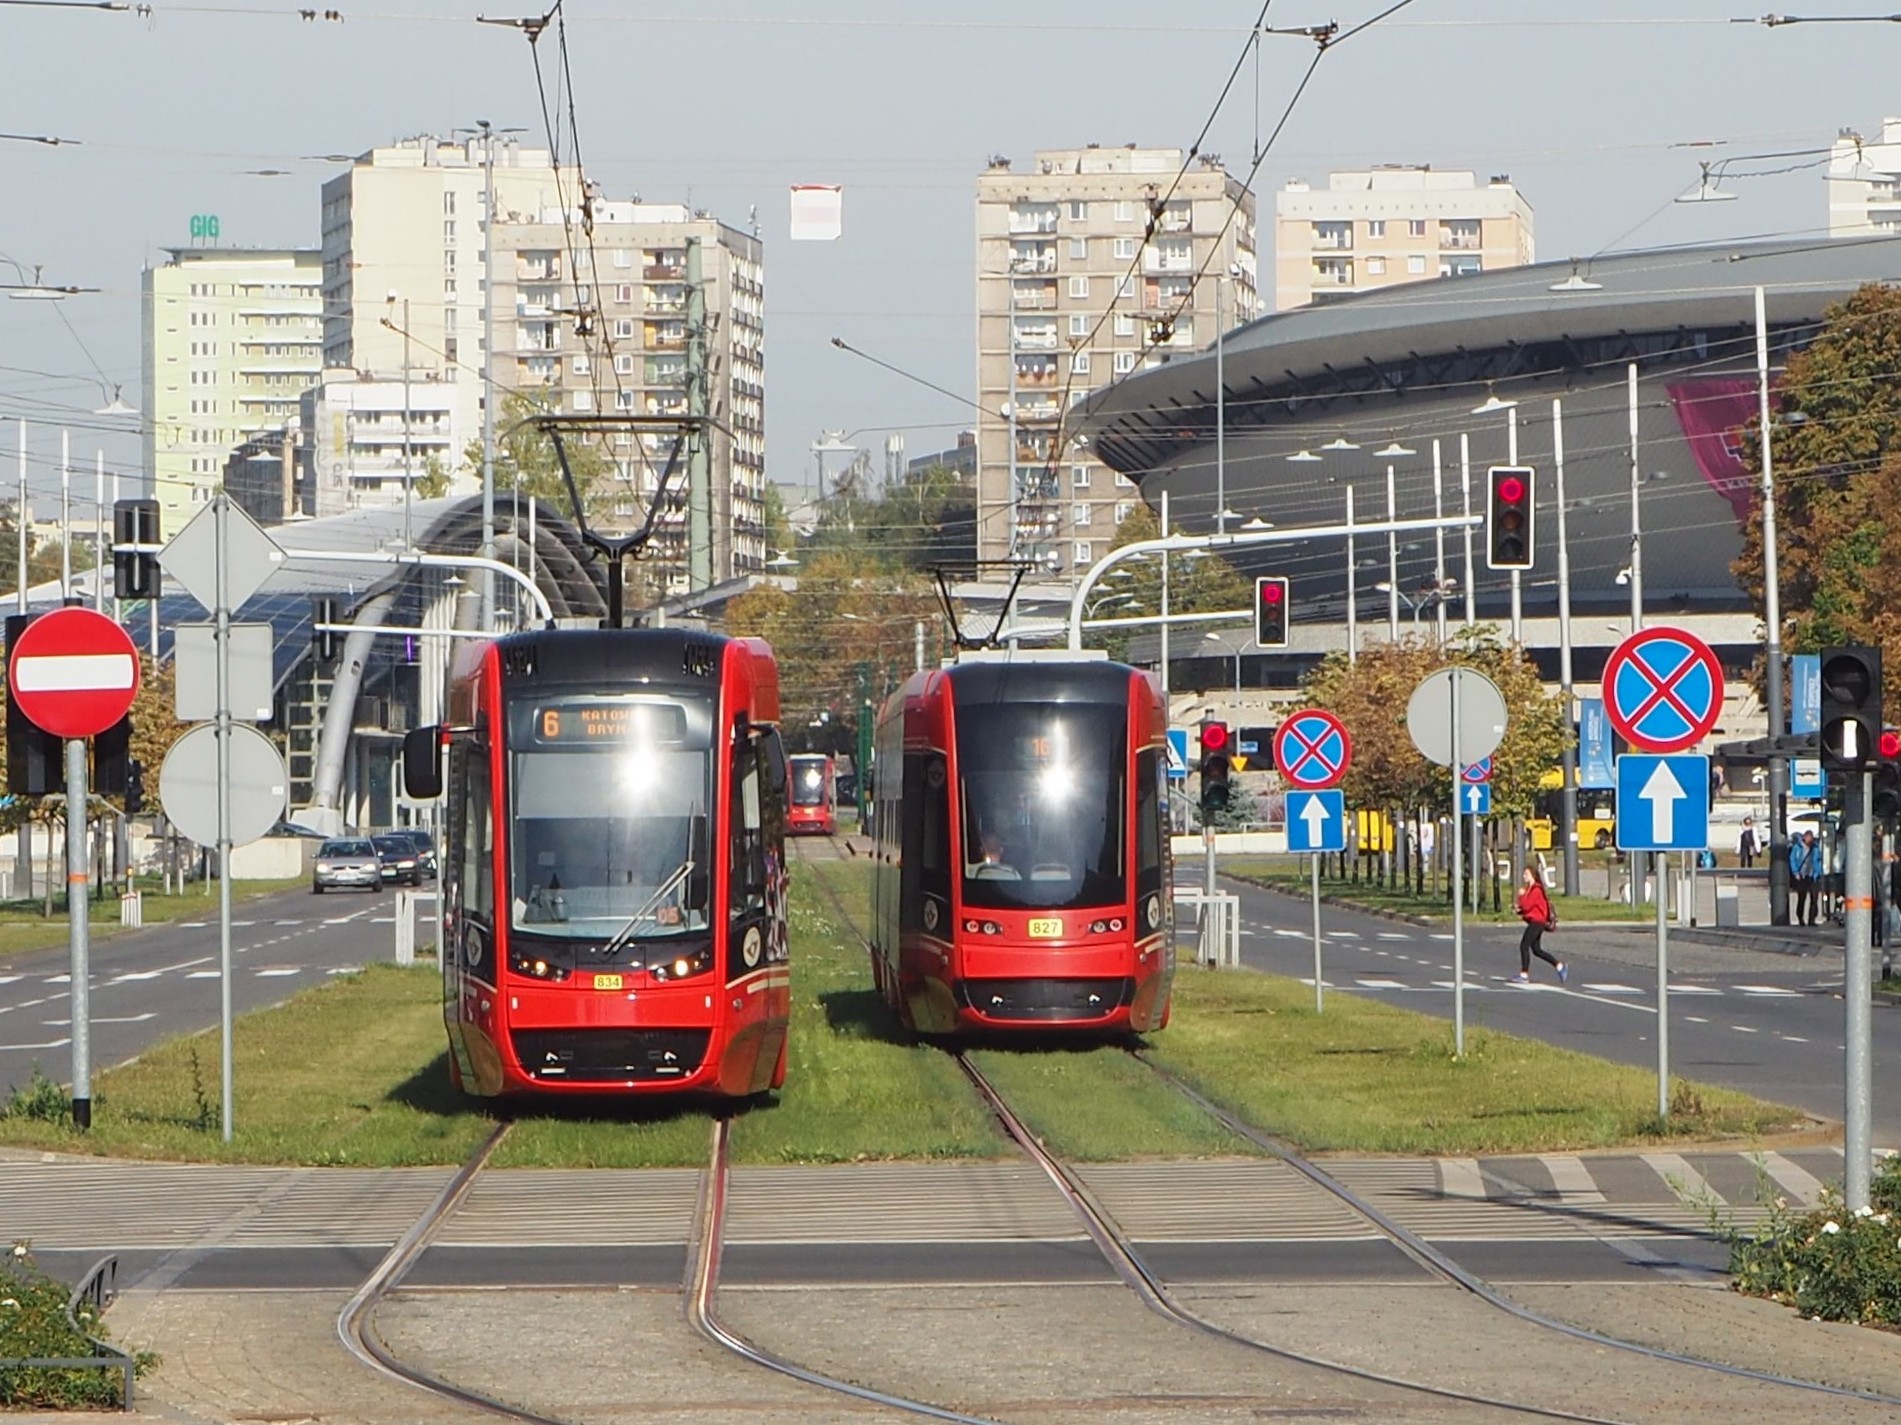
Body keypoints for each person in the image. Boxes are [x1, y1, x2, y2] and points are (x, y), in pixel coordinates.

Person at [1513, 866, 1565, 985]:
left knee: (1524, 946)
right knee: (1536, 950)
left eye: (1526, 874)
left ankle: (1524, 974)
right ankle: (1559, 966)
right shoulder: (1531, 889)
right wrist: (1518, 910)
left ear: (1533, 875)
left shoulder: (1536, 890)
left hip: (1537, 922)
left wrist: (1521, 896)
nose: (1524, 876)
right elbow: (1528, 908)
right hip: (1536, 921)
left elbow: (1527, 905)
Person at [1790, 829, 1822, 926]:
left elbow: (1819, 860)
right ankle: (1800, 918)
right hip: (1801, 876)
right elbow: (1792, 859)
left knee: (1814, 899)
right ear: (1804, 838)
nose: (1810, 840)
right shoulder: (1797, 847)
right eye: (1808, 837)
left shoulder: (1815, 848)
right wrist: (1795, 872)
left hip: (1813, 876)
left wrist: (1818, 872)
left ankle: (1811, 919)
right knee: (1802, 898)